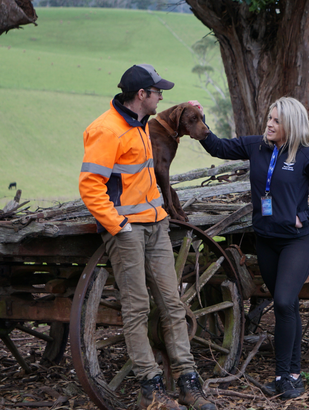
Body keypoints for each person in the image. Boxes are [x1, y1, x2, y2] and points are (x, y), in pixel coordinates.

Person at [79, 64, 216, 410]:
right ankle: (151, 389)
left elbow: (147, 173)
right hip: (127, 232)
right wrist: (119, 226)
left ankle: (188, 382)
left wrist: (162, 216)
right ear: (142, 95)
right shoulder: (105, 130)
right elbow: (90, 186)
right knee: (138, 308)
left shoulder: (140, 124)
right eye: (158, 93)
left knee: (173, 305)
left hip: (156, 225)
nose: (161, 97)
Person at [200, 96, 309, 399]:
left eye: (276, 120)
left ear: (290, 123)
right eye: (269, 117)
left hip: (296, 241)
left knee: (285, 302)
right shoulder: (257, 146)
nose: (269, 123)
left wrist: (306, 216)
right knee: (284, 307)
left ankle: (288, 376)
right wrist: (199, 124)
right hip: (266, 239)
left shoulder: (308, 155)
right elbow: (220, 147)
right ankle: (288, 374)